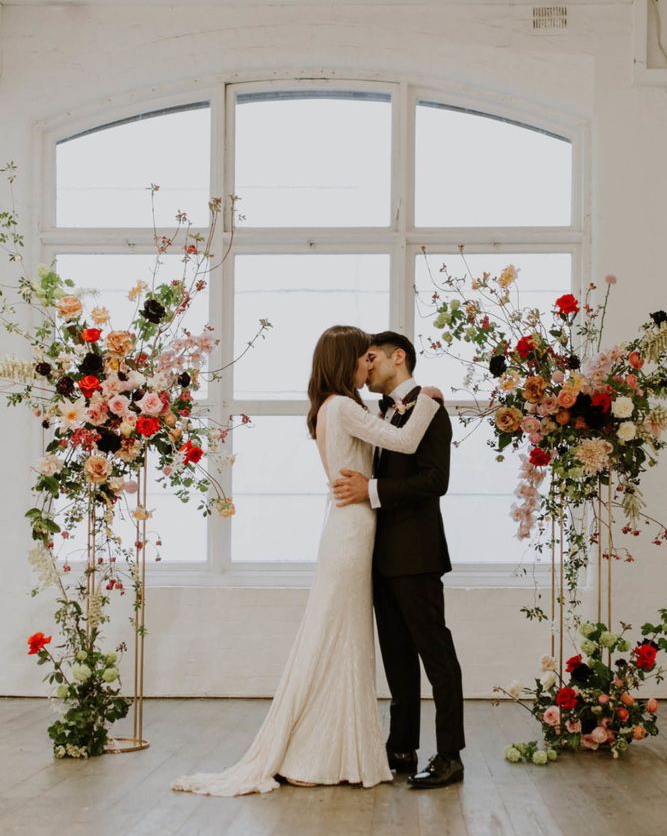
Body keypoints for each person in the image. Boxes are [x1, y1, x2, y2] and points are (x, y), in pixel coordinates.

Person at [171, 325, 441, 796]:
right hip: (353, 529)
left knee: (342, 637)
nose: (370, 364)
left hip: (351, 528)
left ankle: (324, 747)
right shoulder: (340, 407)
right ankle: (316, 751)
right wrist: (432, 399)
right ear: (347, 362)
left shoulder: (336, 408)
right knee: (339, 637)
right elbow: (405, 442)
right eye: (364, 357)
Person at [332, 331, 465, 790]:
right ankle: (401, 747)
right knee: (397, 659)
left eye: (372, 358)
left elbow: (434, 481)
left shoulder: (431, 410)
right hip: (380, 556)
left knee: (436, 654)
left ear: (398, 357)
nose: (366, 368)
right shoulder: (380, 416)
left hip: (418, 554)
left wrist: (369, 491)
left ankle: (450, 754)